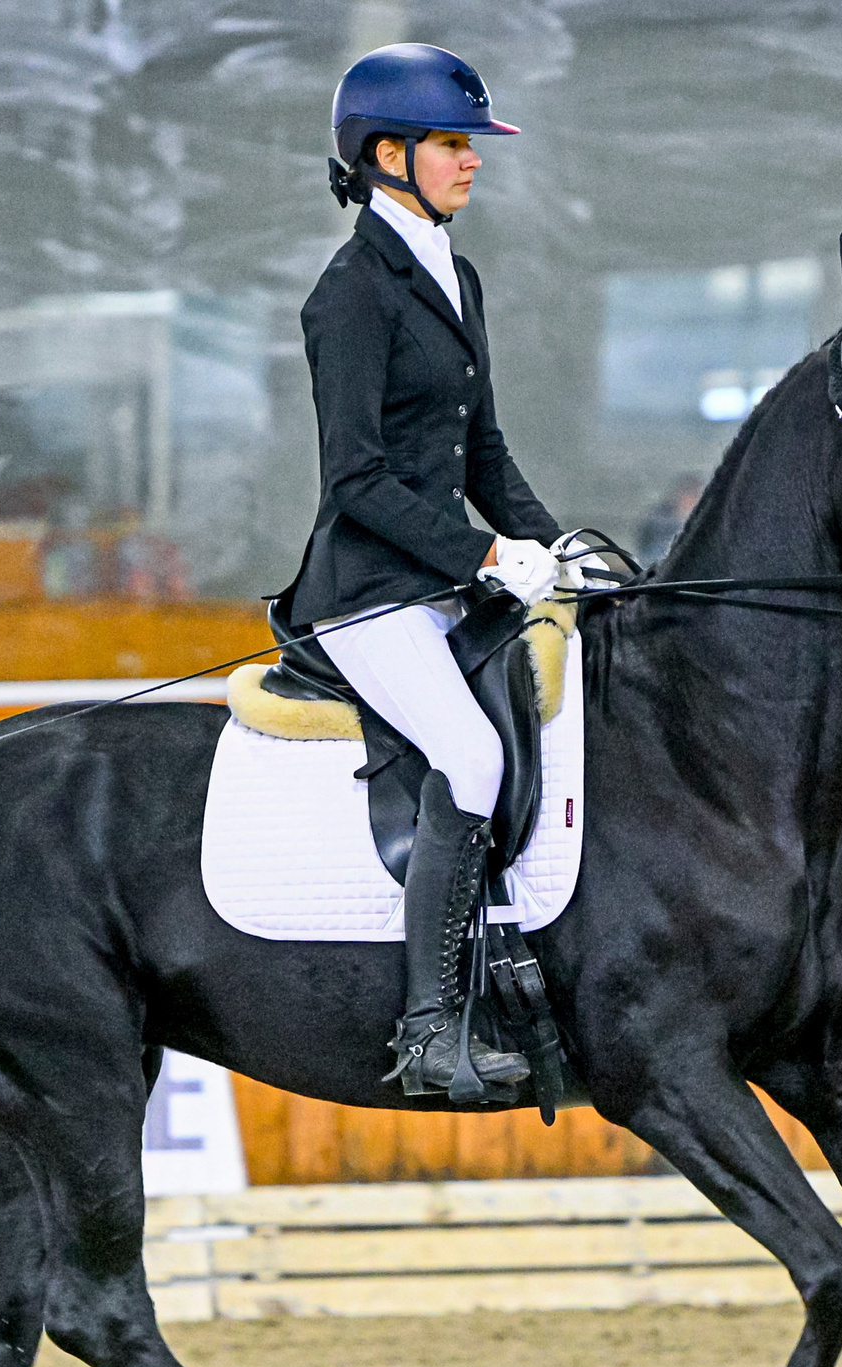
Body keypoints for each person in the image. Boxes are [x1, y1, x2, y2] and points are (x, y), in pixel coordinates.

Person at [282, 42, 563, 1099]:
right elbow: (355, 478)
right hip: (366, 590)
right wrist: (488, 553)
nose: (470, 161)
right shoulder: (350, 291)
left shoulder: (457, 272)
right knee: (471, 756)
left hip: (444, 580)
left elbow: (480, 451)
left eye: (469, 144)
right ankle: (430, 1028)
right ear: (387, 154)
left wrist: (559, 546)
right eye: (452, 144)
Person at [638, 473, 704, 564]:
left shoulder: (705, 526)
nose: (689, 501)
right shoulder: (657, 524)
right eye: (686, 495)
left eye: (695, 496)